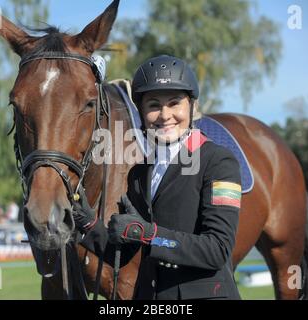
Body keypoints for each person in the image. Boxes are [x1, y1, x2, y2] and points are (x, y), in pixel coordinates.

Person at [74, 55, 242, 300]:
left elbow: (217, 250)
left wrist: (147, 233)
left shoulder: (219, 162)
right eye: (153, 105)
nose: (165, 115)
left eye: (175, 103)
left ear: (191, 107)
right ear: (142, 112)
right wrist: (88, 224)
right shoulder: (138, 174)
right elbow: (127, 252)